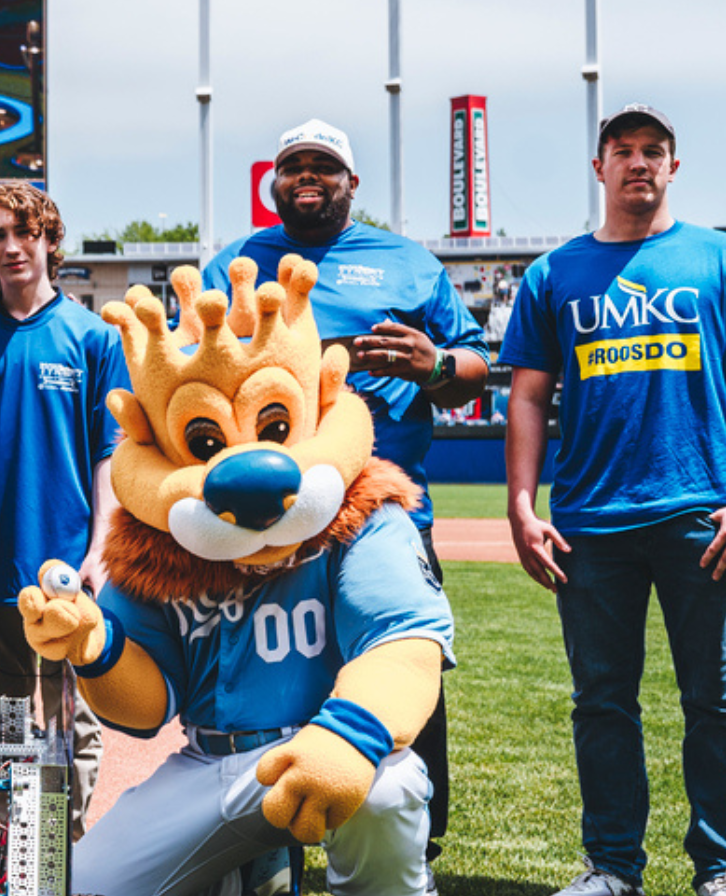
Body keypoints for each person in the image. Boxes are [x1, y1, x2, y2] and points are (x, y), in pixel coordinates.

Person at [500, 104, 726, 896]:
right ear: (599, 168)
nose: (638, 162)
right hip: (591, 522)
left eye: (653, 150)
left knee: (719, 701)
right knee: (601, 703)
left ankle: (722, 870)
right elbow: (527, 398)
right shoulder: (553, 274)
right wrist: (522, 506)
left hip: (702, 516)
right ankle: (613, 869)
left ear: (674, 166)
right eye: (622, 150)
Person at [200, 117, 488, 885]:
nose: (307, 176)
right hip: (267, 520)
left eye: (324, 166)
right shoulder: (237, 264)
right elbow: (193, 371)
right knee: (268, 679)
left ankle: (408, 841)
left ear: (351, 184)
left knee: (396, 667)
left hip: (384, 513)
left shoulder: (407, 264)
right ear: (274, 179)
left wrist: (434, 365)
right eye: (294, 164)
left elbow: (479, 365)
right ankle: (263, 838)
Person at [0, 183, 126, 838]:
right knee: (3, 723)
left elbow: (108, 459)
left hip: (72, 570)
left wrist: (100, 550)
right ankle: (9, 845)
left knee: (75, 721)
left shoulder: (93, 339)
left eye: (23, 231)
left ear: (49, 238)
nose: (11, 246)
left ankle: (66, 847)